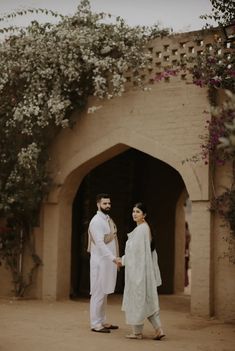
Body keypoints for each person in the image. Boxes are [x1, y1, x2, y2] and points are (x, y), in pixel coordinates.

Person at [120, 202, 165, 340]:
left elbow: (136, 253)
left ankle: (137, 332)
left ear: (144, 215)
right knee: (147, 300)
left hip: (139, 272)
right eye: (133, 211)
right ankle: (158, 330)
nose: (134, 214)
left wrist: (121, 260)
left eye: (138, 211)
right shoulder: (144, 228)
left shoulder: (141, 230)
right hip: (144, 270)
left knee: (138, 299)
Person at [87, 193, 120, 333]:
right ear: (98, 204)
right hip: (100, 262)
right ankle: (95, 324)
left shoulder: (107, 219)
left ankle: (103, 321)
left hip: (107, 262)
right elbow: (100, 244)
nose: (108, 206)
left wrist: (112, 259)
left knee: (104, 292)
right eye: (105, 203)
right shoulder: (96, 221)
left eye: (109, 203)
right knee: (98, 292)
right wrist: (113, 258)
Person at [184, 221, 191, 287]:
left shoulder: (186, 233)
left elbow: (186, 243)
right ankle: (186, 282)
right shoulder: (187, 232)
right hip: (186, 252)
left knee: (185, 267)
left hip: (185, 252)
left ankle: (185, 282)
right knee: (185, 267)